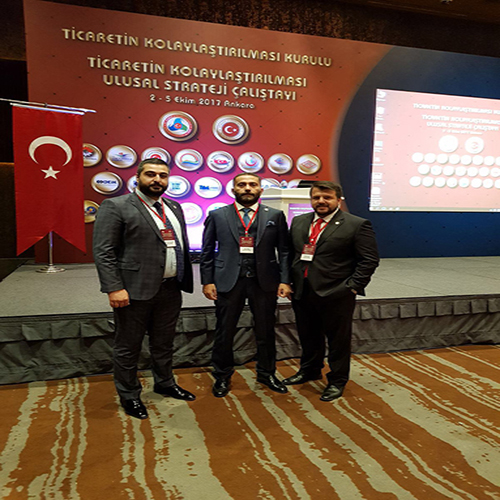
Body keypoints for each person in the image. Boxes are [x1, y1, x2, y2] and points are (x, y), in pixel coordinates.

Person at [93, 158, 195, 420]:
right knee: (128, 346)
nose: (157, 180)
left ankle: (165, 383)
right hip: (133, 290)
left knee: (164, 343)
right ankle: (129, 395)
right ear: (138, 177)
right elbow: (104, 251)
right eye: (151, 174)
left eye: (163, 175)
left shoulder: (174, 207)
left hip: (170, 289)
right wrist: (114, 287)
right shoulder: (116, 206)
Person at [283, 181, 379, 401]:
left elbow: (369, 260)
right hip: (302, 291)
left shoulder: (356, 224)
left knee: (338, 341)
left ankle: (337, 380)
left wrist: (352, 286)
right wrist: (287, 281)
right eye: (316, 197)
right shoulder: (299, 221)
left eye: (327, 197)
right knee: (308, 335)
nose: (321, 201)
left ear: (338, 200)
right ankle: (310, 370)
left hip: (337, 293)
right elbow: (291, 255)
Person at [200, 173, 292, 397]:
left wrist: (284, 280)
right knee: (225, 331)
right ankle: (222, 375)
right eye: (242, 185)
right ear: (233, 190)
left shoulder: (275, 215)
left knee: (266, 330)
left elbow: (284, 251)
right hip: (228, 280)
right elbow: (207, 251)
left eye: (253, 185)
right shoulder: (217, 215)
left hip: (265, 281)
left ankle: (267, 373)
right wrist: (207, 281)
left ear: (261, 190)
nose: (247, 188)